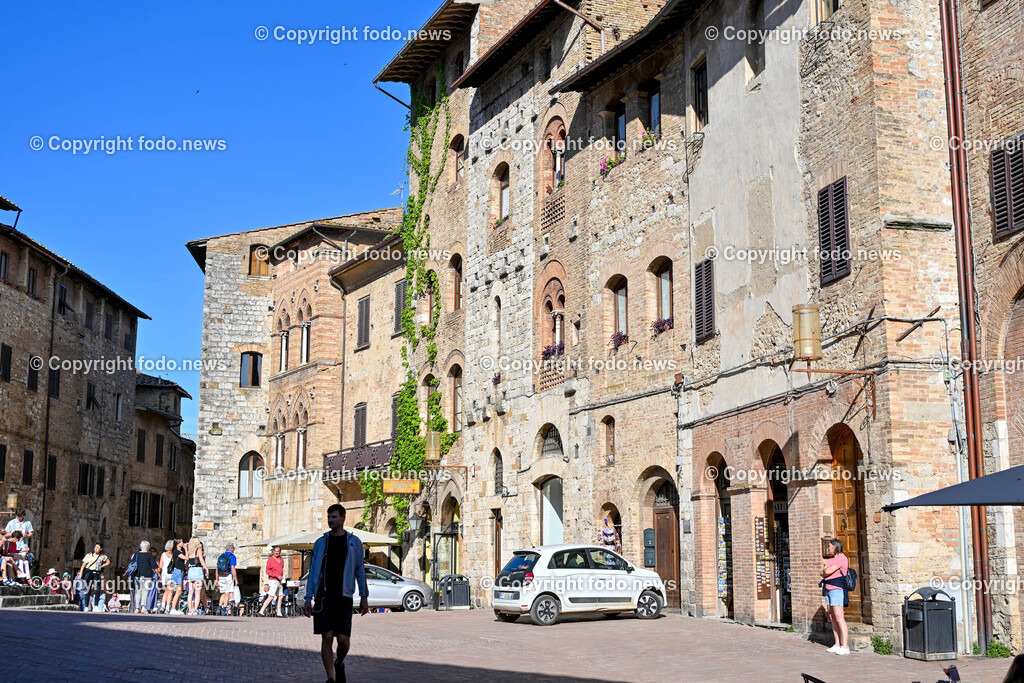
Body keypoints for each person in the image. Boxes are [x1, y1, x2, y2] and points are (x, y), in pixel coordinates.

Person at [303, 504, 369, 683]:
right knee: (327, 637)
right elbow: (313, 571)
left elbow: (360, 570)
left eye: (334, 517)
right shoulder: (321, 543)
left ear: (342, 518)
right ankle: (330, 678)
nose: (330, 520)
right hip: (323, 596)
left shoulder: (354, 543)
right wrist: (308, 598)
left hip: (344, 596)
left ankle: (340, 662)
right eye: (329, 517)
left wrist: (364, 597)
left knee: (343, 640)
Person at [819, 537, 850, 655]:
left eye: (829, 546)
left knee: (839, 616)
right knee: (832, 617)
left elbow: (826, 572)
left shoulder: (842, 558)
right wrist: (824, 572)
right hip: (828, 589)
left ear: (835, 547)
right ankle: (837, 644)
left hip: (837, 589)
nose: (828, 549)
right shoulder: (831, 559)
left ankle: (845, 646)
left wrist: (825, 572)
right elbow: (822, 572)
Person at [77, 543, 110, 612]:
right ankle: (86, 606)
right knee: (88, 589)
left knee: (97, 589)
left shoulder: (102, 556)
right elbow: (83, 565)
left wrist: (102, 566)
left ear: (101, 549)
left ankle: (96, 606)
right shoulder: (89, 555)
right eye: (95, 547)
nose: (96, 549)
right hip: (89, 572)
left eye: (98, 547)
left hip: (96, 573)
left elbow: (108, 562)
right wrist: (81, 573)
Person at [129, 541, 159, 614]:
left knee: (138, 591)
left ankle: (136, 608)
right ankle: (143, 607)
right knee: (145, 591)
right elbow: (154, 566)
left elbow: (132, 564)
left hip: (137, 575)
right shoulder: (149, 555)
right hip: (147, 575)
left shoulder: (136, 554)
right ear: (147, 547)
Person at [186, 537, 208, 615]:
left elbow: (187, 563)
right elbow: (201, 560)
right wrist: (206, 568)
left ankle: (190, 610)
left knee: (190, 592)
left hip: (191, 570)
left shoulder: (189, 551)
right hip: (197, 570)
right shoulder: (198, 550)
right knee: (197, 592)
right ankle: (195, 609)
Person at [262, 545, 285, 617]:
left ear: (280, 552)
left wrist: (281, 576)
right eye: (275, 551)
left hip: (279, 581)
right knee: (271, 596)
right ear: (273, 551)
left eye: (278, 551)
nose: (276, 553)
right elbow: (267, 571)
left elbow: (281, 568)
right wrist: (276, 575)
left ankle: (279, 612)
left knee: (280, 596)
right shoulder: (270, 560)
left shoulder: (281, 559)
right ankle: (261, 611)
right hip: (273, 580)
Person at [216, 542, 239, 616]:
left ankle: (219, 607)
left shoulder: (221, 556)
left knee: (223, 593)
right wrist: (236, 580)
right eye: (233, 548)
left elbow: (217, 568)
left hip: (221, 576)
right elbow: (233, 568)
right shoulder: (232, 556)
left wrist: (217, 579)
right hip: (228, 576)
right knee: (227, 593)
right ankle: (224, 609)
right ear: (231, 548)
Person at [168, 539, 186, 614]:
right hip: (178, 572)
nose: (182, 543)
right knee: (178, 592)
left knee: (179, 592)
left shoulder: (181, 551)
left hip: (179, 572)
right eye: (181, 542)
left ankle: (176, 608)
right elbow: (186, 558)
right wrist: (186, 549)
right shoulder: (176, 552)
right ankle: (173, 609)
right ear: (177, 543)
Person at [160, 540, 175, 613]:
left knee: (166, 591)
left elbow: (160, 566)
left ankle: (163, 606)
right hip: (171, 574)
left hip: (164, 573)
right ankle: (167, 607)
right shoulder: (174, 555)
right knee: (170, 591)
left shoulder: (163, 554)